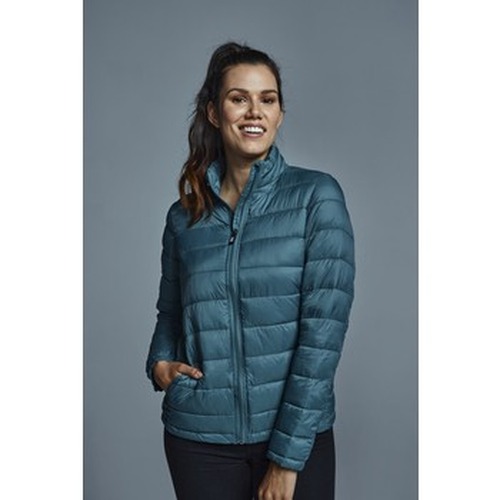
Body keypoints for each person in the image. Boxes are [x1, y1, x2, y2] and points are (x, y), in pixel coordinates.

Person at [145, 41, 355, 500]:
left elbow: (321, 339)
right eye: (238, 98)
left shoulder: (316, 198)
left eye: (268, 99)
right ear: (214, 113)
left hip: (294, 440)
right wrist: (160, 363)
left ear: (279, 114)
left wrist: (286, 459)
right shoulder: (184, 217)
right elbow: (170, 312)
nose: (254, 111)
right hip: (199, 441)